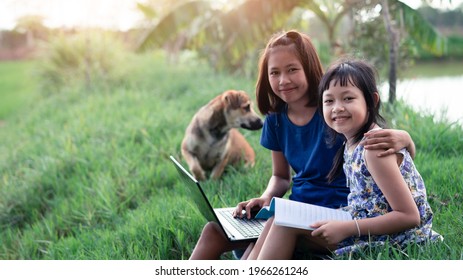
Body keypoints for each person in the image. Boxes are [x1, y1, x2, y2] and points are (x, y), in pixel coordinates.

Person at [189, 30, 415, 260]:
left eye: (292, 70)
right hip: (296, 209)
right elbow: (281, 176)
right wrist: (266, 198)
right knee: (214, 230)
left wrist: (405, 138)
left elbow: (379, 143)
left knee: (273, 232)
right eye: (274, 73)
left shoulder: (333, 112)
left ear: (308, 68)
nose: (283, 80)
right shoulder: (278, 119)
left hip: (337, 211)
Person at [245, 58, 441, 260]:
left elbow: (409, 217)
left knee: (283, 227)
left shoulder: (373, 149)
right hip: (361, 222)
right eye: (329, 101)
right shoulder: (350, 142)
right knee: (277, 220)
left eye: (348, 99)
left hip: (395, 238)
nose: (337, 108)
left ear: (372, 101)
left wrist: (348, 228)